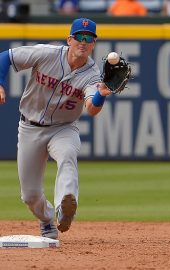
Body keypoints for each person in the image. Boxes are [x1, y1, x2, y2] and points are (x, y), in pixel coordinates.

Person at [0, 18, 112, 239]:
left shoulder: (92, 74)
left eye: (89, 38)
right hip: (30, 127)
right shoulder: (47, 53)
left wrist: (101, 94)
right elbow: (6, 58)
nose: (83, 41)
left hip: (63, 128)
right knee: (30, 196)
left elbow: (91, 108)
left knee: (68, 154)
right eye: (79, 37)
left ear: (94, 44)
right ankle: (46, 219)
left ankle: (65, 206)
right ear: (69, 39)